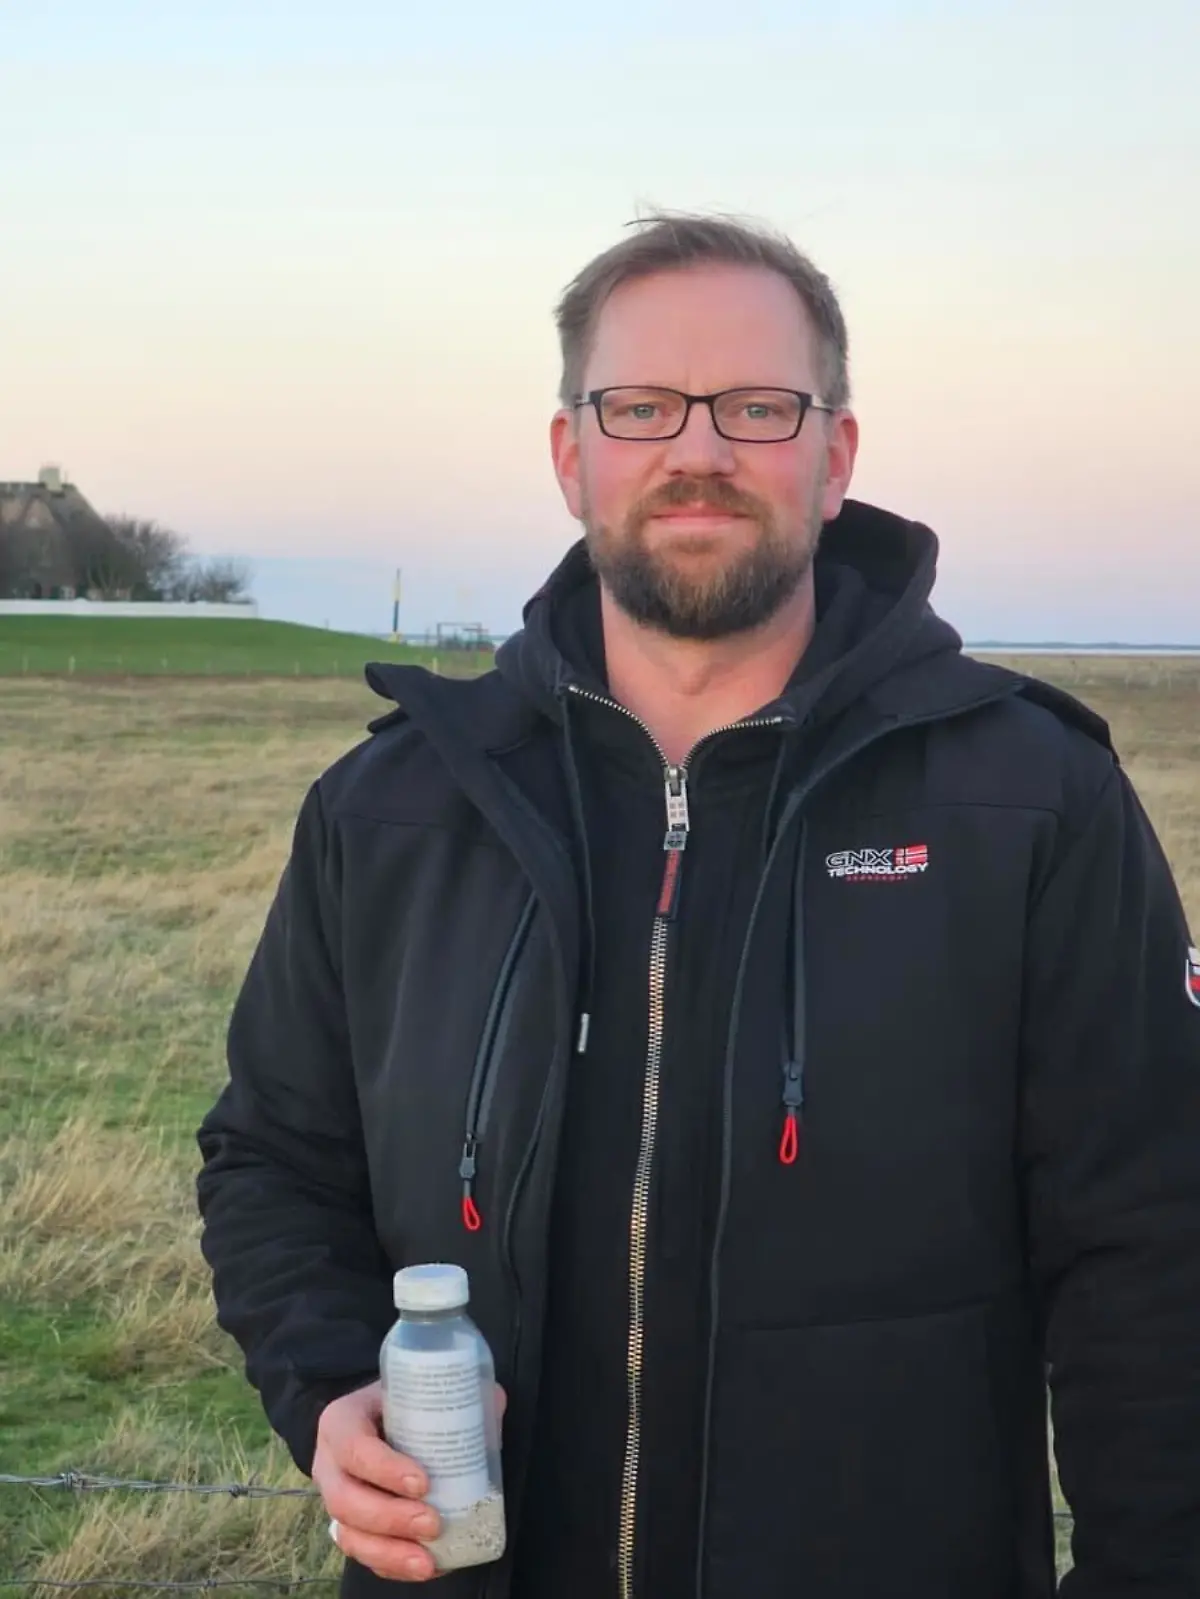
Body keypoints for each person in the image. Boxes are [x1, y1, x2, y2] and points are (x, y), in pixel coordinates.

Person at [196, 211, 1200, 1599]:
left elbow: (1154, 1245)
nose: (700, 449)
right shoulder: (394, 812)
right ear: (573, 456)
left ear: (836, 457)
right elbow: (273, 1159)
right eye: (643, 406)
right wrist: (325, 1384)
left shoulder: (1031, 801)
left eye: (758, 406)